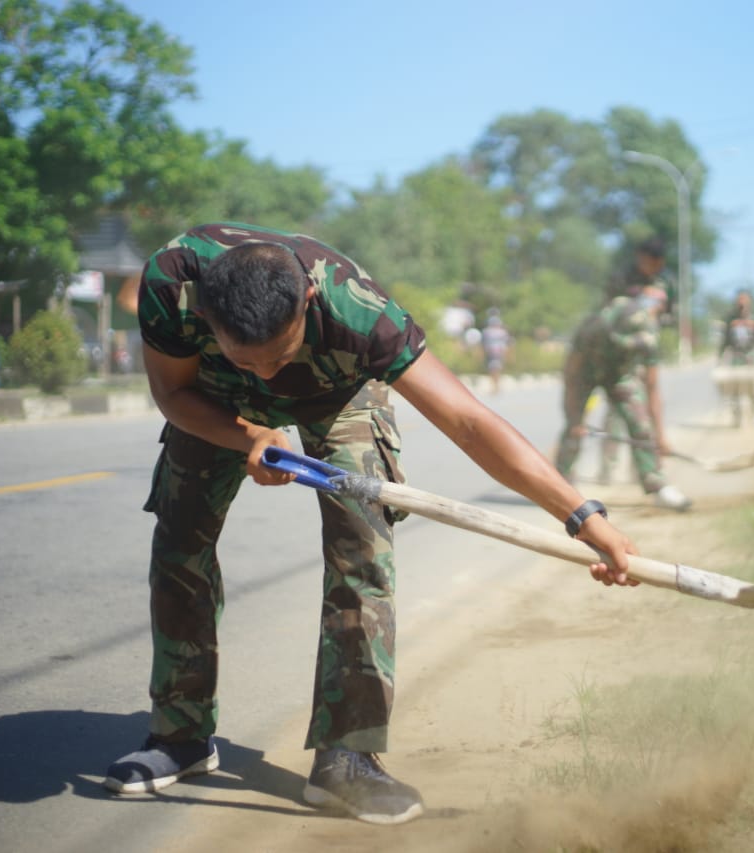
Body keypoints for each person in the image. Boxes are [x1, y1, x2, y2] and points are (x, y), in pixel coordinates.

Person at [102, 222, 638, 826]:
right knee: (179, 544)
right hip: (213, 401)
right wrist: (248, 433)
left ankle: (347, 758)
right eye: (246, 355)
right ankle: (181, 735)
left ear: (307, 300)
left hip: (339, 394)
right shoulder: (172, 282)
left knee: (363, 553)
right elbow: (171, 393)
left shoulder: (359, 311)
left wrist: (582, 515)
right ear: (208, 315)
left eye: (278, 354)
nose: (268, 376)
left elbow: (466, 420)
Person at [553, 238, 691, 511]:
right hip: (588, 371)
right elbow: (571, 374)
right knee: (573, 429)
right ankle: (559, 488)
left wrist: (660, 435)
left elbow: (652, 387)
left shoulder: (648, 337)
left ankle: (657, 484)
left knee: (640, 425)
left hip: (620, 374)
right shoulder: (593, 330)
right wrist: (574, 417)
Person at [716, 288, 754, 425]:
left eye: (744, 299)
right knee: (735, 387)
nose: (742, 303)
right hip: (736, 356)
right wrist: (720, 357)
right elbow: (725, 340)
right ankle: (737, 416)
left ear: (749, 301)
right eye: (740, 300)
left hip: (752, 356)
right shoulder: (731, 320)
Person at [480, 309, 511, 394]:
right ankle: (495, 386)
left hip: (498, 353)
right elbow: (483, 343)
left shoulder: (501, 332)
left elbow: (507, 343)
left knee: (495, 369)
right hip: (491, 353)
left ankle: (496, 386)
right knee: (493, 369)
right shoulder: (487, 332)